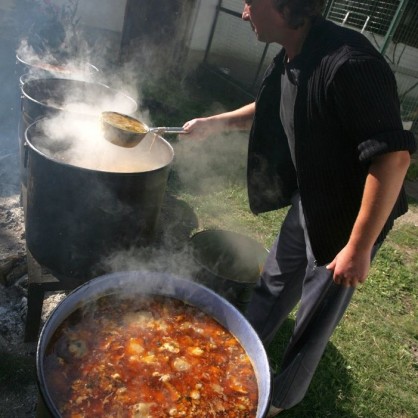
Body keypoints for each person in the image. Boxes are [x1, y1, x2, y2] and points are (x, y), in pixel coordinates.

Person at [182, 0, 417, 416]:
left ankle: (277, 401)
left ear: (283, 6)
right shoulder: (294, 51)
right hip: (311, 198)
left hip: (349, 221)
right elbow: (270, 107)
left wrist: (358, 248)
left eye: (251, 4)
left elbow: (393, 158)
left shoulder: (350, 63)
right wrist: (213, 123)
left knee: (315, 318)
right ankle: (242, 353)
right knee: (273, 282)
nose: (243, 13)